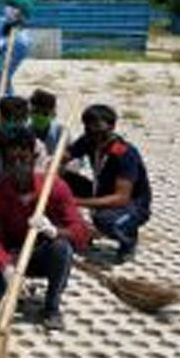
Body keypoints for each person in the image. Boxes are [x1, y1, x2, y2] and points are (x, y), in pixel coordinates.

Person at [0, 126, 90, 330]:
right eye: (12, 161)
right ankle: (7, 287)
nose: (19, 165)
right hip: (12, 257)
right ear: (3, 161)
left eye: (24, 158)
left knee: (62, 248)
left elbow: (80, 232)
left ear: (35, 155)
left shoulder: (55, 187)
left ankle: (51, 307)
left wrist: (54, 231)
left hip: (42, 255)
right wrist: (5, 266)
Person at [63, 104, 152, 262]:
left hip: (132, 204)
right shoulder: (88, 141)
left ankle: (128, 240)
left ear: (111, 127)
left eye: (99, 131)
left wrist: (76, 202)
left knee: (105, 221)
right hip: (101, 190)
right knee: (60, 180)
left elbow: (121, 198)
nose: (95, 136)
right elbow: (65, 156)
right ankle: (74, 229)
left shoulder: (124, 154)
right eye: (89, 129)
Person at [0, 96, 50, 191]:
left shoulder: (38, 147)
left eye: (17, 119)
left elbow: (39, 176)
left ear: (26, 119)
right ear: (0, 118)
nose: (12, 123)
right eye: (8, 119)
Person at [30, 89, 64, 154]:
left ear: (53, 114)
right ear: (29, 112)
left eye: (45, 114)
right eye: (36, 112)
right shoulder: (25, 131)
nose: (40, 117)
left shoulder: (60, 132)